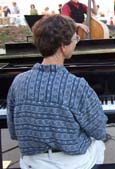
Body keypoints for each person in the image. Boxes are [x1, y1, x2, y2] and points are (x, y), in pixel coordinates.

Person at [7, 15, 107, 169]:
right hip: (71, 163)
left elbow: (14, 133)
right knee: (99, 143)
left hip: (32, 163)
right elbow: (99, 130)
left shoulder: (18, 81)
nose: (76, 41)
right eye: (75, 38)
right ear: (63, 46)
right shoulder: (76, 85)